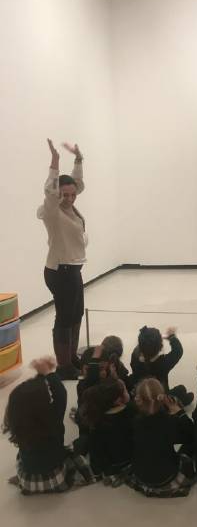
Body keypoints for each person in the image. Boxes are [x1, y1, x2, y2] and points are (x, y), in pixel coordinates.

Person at [3, 356, 94, 495]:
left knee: (25, 455)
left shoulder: (17, 424)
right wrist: (47, 372)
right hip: (56, 479)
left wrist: (42, 375)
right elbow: (61, 394)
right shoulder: (53, 420)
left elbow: (40, 398)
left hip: (27, 481)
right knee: (83, 441)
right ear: (44, 408)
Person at [37, 139, 87, 380]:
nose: (69, 198)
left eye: (72, 194)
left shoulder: (71, 206)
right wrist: (55, 164)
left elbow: (77, 183)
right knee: (65, 318)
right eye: (64, 194)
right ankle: (64, 367)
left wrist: (78, 159)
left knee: (76, 314)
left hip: (73, 270)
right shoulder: (52, 211)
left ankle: (72, 357)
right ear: (58, 193)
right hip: (60, 271)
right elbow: (50, 191)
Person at [126, 378, 195, 497]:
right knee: (189, 446)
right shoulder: (170, 422)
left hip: (141, 475)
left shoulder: (135, 422)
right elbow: (190, 433)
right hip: (166, 476)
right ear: (162, 398)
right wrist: (179, 412)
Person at [80, 377, 135, 484]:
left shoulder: (98, 420)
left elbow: (96, 452)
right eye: (125, 390)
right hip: (130, 460)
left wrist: (97, 471)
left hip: (111, 466)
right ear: (118, 400)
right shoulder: (132, 410)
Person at [130, 326, 193, 406]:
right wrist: (172, 337)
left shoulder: (135, 356)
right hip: (160, 399)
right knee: (182, 390)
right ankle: (181, 402)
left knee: (181, 389)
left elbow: (143, 347)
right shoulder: (163, 363)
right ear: (160, 346)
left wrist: (146, 341)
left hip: (142, 394)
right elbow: (178, 351)